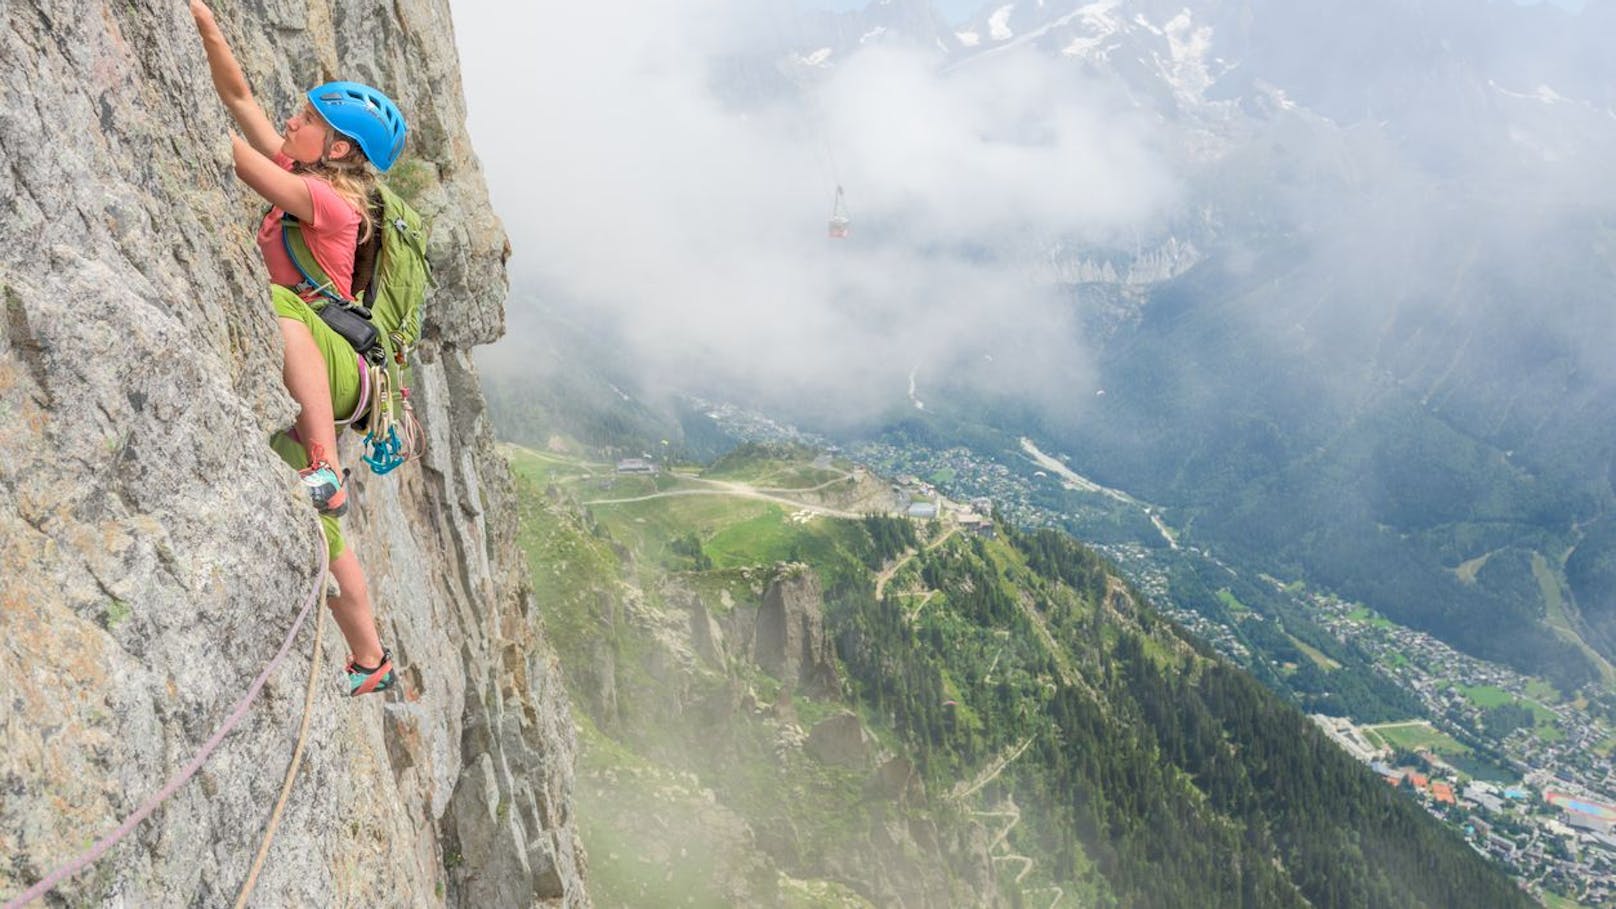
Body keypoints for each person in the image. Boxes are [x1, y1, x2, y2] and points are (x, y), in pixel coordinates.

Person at [191, 0, 406, 696]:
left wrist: (180, 103)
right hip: (312, 365)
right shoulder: (308, 173)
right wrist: (204, 27)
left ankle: (326, 465)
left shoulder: (335, 204)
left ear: (340, 148)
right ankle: (371, 660)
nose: (293, 120)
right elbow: (239, 98)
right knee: (324, 528)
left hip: (334, 369)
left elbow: (246, 161)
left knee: (278, 304)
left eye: (310, 119)